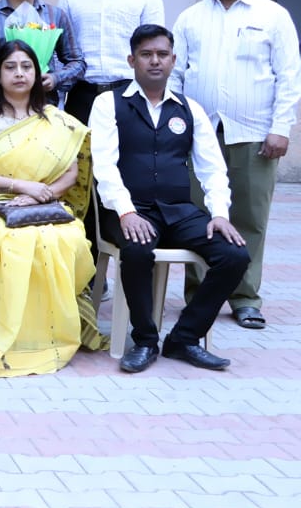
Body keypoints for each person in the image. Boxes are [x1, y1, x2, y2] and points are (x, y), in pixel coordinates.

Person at [91, 24, 251, 373]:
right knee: (137, 250)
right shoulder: (109, 103)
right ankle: (145, 341)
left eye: (162, 54)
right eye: (146, 54)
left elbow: (212, 168)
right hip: (129, 210)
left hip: (178, 211)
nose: (155, 61)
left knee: (234, 254)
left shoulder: (189, 109)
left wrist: (219, 214)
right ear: (131, 60)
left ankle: (184, 338)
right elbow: (104, 165)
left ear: (173, 60)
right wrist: (126, 212)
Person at [0, 40, 102, 378]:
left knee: (65, 239)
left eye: (26, 66)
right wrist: (21, 187)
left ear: (38, 73)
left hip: (44, 204)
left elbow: (71, 174)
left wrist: (38, 196)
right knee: (4, 240)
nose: (19, 73)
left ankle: (46, 337)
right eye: (10, 67)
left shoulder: (57, 119)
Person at [171, 0, 300, 331]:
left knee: (249, 218)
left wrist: (281, 128)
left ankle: (245, 298)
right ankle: (200, 295)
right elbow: (176, 75)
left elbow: (288, 77)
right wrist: (176, 126)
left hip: (254, 134)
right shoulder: (191, 18)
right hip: (200, 134)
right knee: (199, 216)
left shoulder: (273, 16)